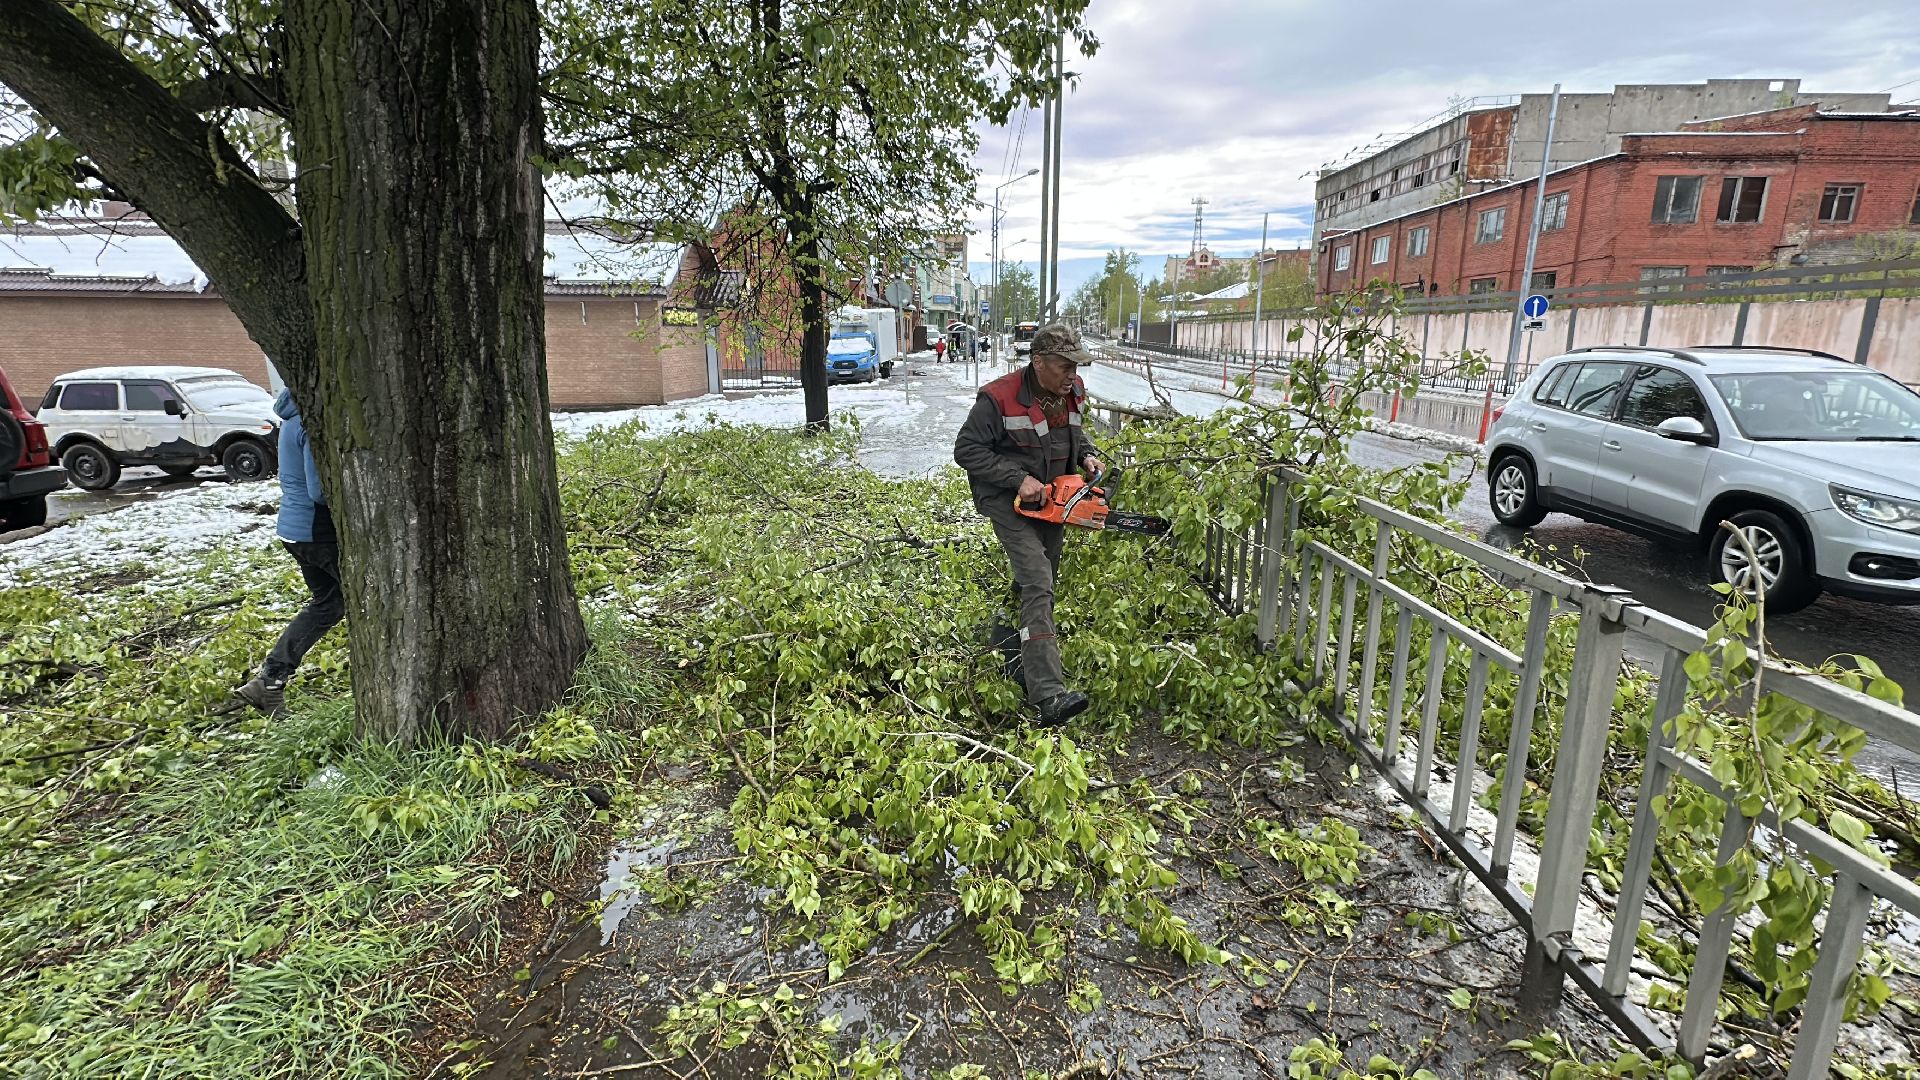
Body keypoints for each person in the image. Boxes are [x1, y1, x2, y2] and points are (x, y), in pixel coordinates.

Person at [953, 323, 1102, 726]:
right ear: (1038, 362)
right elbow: (966, 449)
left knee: (1037, 578)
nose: (1072, 374)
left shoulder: (1073, 390)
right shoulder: (998, 398)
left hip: (1052, 498)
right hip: (1005, 498)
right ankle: (1048, 694)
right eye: (1064, 366)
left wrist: (1086, 455)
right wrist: (1017, 478)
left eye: (1076, 366)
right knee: (1038, 579)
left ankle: (1005, 647)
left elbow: (1073, 434)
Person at [231, 388, 344, 717]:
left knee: (330, 604)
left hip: (295, 530)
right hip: (316, 532)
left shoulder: (291, 418)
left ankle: (269, 682)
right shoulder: (310, 422)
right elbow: (319, 490)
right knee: (371, 597)